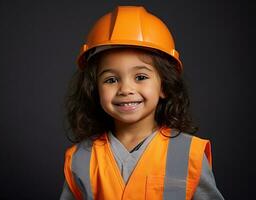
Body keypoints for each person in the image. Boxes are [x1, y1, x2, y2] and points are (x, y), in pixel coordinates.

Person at [60, 5, 224, 200]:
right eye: (111, 80)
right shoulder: (80, 159)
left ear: (164, 86)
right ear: (94, 89)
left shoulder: (190, 155)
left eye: (140, 77)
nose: (126, 89)